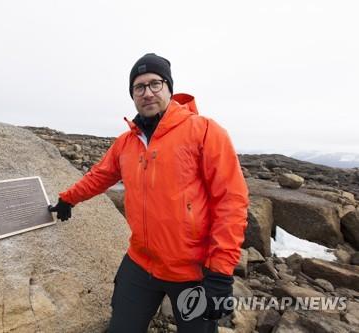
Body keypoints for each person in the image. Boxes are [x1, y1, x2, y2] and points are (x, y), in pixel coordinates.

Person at [49, 53, 249, 333]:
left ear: (169, 88)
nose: (147, 93)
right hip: (141, 262)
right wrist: (68, 198)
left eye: (155, 84)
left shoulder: (204, 131)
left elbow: (231, 201)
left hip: (192, 270)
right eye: (138, 87)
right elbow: (100, 176)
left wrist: (220, 271)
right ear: (132, 95)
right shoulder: (126, 142)